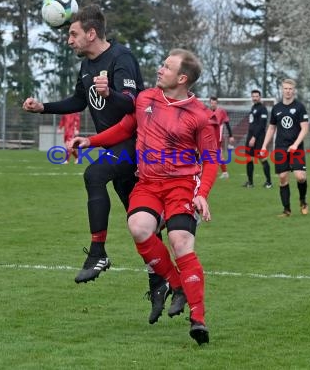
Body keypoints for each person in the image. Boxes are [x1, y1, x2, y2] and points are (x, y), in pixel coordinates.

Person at [22, 4, 169, 324]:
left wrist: (111, 92)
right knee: (142, 226)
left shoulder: (121, 58)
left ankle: (98, 253)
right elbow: (80, 100)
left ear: (92, 33)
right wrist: (42, 107)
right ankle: (161, 279)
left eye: (73, 34)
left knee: (94, 174)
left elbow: (134, 104)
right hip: (114, 145)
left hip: (136, 141)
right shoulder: (88, 67)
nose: (69, 40)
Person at [70, 48, 218, 345]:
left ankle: (198, 318)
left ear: (182, 78)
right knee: (138, 228)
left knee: (180, 243)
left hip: (181, 185)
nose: (160, 70)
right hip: (148, 183)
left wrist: (202, 194)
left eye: (167, 67)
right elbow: (126, 127)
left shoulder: (202, 116)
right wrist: (91, 140)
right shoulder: (146, 98)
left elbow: (212, 158)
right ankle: (176, 285)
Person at [260, 79, 310, 217]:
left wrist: (295, 144)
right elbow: (271, 128)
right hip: (281, 147)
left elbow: (305, 128)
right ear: (282, 90)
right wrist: (264, 146)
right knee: (282, 177)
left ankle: (303, 201)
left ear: (294, 90)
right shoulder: (276, 108)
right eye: (285, 88)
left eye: (290, 89)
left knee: (300, 177)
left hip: (296, 148)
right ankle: (287, 210)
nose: (288, 91)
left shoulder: (299, 107)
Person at [243, 89, 272, 188]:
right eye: (253, 96)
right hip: (250, 136)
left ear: (260, 97)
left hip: (259, 137)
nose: (255, 98)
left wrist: (254, 137)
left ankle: (269, 182)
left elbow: (261, 125)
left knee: (262, 158)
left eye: (256, 96)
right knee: (248, 158)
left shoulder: (263, 109)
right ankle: (250, 183)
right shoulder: (253, 107)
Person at [209, 96, 235, 179]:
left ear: (217, 103)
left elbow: (227, 123)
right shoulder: (207, 111)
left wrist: (231, 135)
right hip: (209, 136)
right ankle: (214, 171)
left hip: (218, 136)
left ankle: (224, 172)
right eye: (212, 103)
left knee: (217, 154)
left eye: (214, 103)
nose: (213, 104)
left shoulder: (221, 111)